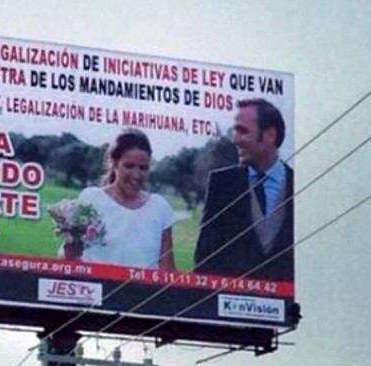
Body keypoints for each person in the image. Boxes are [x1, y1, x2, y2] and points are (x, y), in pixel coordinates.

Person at [194, 98, 294, 280]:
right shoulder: (221, 184)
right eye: (235, 131)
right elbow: (204, 261)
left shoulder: (299, 186)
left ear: (270, 135)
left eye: (243, 131)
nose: (235, 139)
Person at [63, 129, 177, 270]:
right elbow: (68, 259)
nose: (136, 175)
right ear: (114, 164)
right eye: (129, 166)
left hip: (144, 292)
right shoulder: (91, 199)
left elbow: (168, 272)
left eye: (143, 168)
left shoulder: (160, 207)